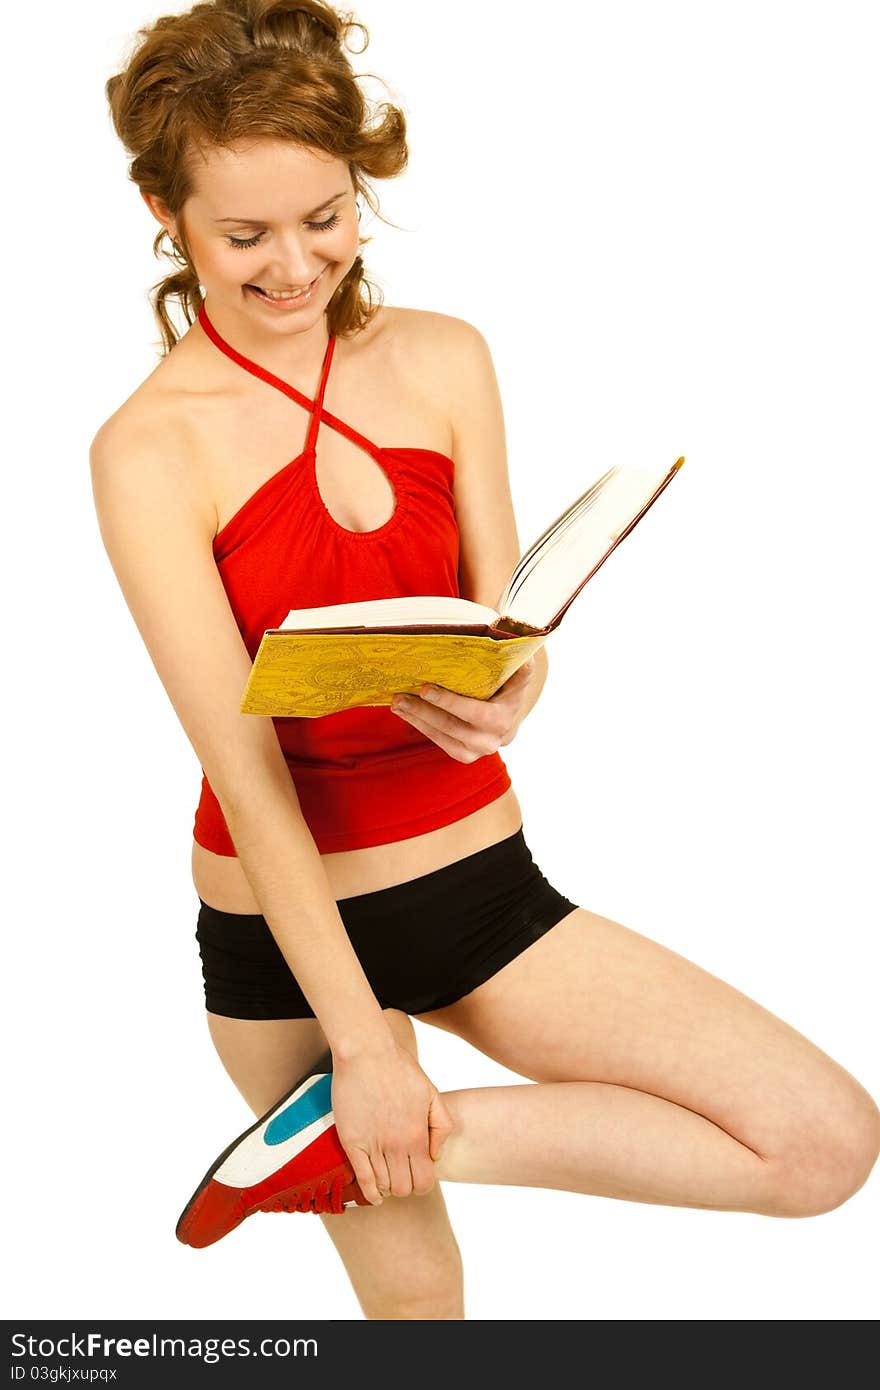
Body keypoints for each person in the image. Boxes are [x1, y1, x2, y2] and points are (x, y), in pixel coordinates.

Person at [91, 0, 879, 1321]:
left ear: (362, 186)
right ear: (168, 216)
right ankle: (349, 1109)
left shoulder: (446, 357)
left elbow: (501, 623)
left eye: (326, 218)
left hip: (477, 884)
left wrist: (513, 686)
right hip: (291, 942)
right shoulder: (146, 450)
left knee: (821, 1143)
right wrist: (357, 1042)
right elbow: (243, 767)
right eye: (246, 236)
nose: (296, 265)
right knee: (424, 1325)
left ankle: (365, 1133)